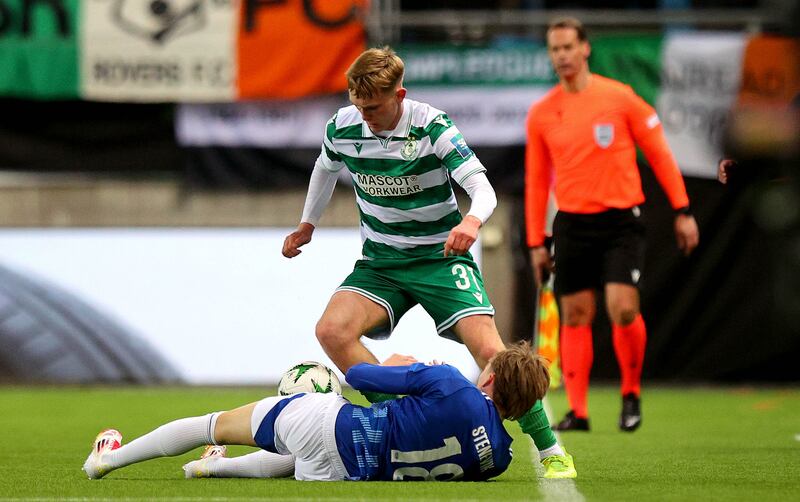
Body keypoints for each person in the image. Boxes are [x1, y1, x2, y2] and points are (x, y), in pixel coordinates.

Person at [282, 46, 575, 477]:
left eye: (374, 107)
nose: (365, 116)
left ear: (400, 96)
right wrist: (308, 224)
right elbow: (325, 169)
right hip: (381, 262)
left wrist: (473, 221)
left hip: (440, 258)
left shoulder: (431, 125)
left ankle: (552, 452)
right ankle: (405, 418)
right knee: (331, 330)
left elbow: (482, 187)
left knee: (494, 353)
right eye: (358, 105)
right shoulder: (342, 127)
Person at [525, 18, 700, 432]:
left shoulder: (620, 98)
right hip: (572, 225)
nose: (562, 56)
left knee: (623, 310)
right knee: (575, 314)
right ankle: (579, 412)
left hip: (621, 222)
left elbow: (659, 153)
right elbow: (536, 180)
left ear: (585, 49)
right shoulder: (543, 113)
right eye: (555, 49)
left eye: (568, 47)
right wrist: (536, 240)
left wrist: (684, 209)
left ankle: (631, 393)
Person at [83, 343, 549, 482]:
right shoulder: (500, 461)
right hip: (349, 474)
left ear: (489, 377)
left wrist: (402, 365)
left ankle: (108, 460)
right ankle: (214, 469)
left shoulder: (451, 383)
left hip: (330, 424)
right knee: (295, 462)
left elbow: (362, 379)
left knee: (215, 422)